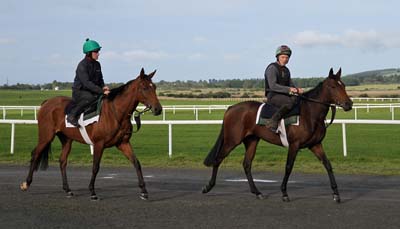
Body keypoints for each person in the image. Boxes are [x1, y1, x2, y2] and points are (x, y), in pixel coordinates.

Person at [67, 38, 110, 127]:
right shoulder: (82, 65)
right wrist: (102, 91)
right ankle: (72, 116)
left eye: (98, 51)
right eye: (96, 51)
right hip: (79, 92)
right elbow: (87, 83)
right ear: (89, 53)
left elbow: (100, 79)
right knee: (91, 98)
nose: (98, 54)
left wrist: (103, 86)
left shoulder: (97, 64)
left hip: (91, 90)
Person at [264, 45, 304, 132]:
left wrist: (297, 89)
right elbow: (273, 86)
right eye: (283, 57)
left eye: (287, 57)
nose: (285, 59)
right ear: (278, 57)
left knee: (300, 99)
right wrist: (289, 90)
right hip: (273, 95)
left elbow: (290, 84)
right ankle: (273, 121)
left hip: (283, 95)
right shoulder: (272, 68)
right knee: (289, 102)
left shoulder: (286, 70)